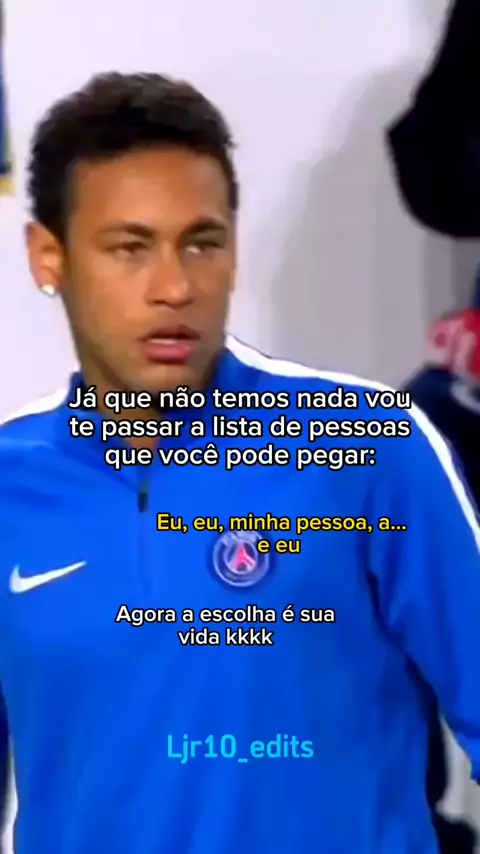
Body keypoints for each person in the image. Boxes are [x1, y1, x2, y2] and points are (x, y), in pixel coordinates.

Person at [1, 72, 480, 854]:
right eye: (130, 248)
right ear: (48, 257)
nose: (174, 287)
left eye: (202, 243)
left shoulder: (366, 448)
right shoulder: (9, 489)